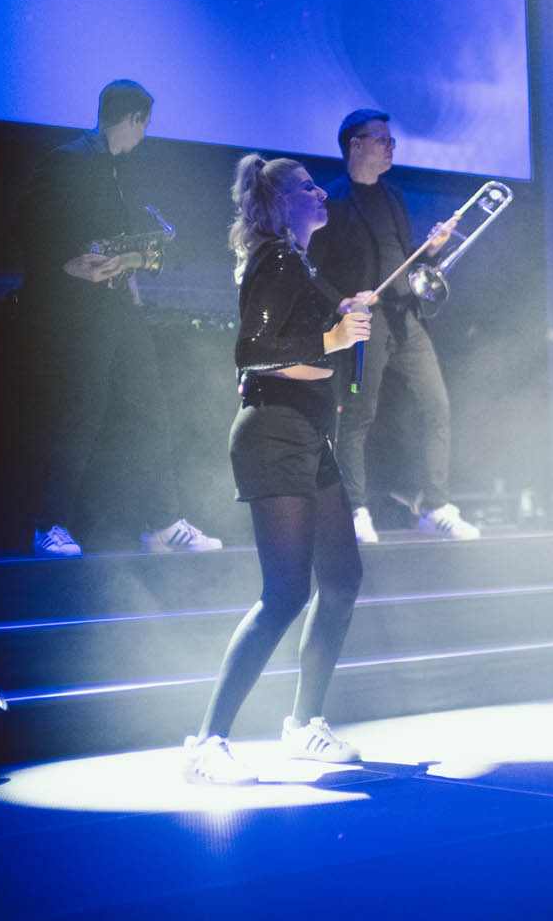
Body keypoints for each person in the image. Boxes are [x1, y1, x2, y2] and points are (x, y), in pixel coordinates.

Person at [182, 154, 374, 784]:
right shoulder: (281, 258)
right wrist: (333, 339)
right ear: (281, 202)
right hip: (274, 433)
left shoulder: (296, 262)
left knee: (341, 578)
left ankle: (302, 725)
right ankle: (207, 741)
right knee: (286, 593)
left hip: (307, 434)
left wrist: (342, 314)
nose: (323, 193)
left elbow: (303, 333)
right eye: (308, 187)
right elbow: (252, 350)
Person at [14, 79, 222, 557]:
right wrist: (65, 263)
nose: (144, 135)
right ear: (132, 119)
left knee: (150, 410)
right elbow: (23, 225)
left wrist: (130, 273)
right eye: (144, 125)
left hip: (117, 309)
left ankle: (163, 522)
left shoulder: (115, 169)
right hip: (76, 311)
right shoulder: (68, 159)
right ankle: (48, 524)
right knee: (79, 413)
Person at [306, 109, 477, 544]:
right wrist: (342, 302)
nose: (391, 147)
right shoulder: (331, 200)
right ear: (355, 144)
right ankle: (354, 509)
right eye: (381, 139)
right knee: (357, 417)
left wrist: (432, 250)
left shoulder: (394, 197)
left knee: (436, 407)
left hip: (406, 320)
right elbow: (310, 271)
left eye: (391, 140)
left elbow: (404, 261)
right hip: (365, 325)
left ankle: (436, 506)